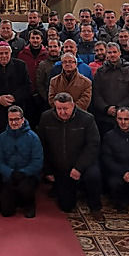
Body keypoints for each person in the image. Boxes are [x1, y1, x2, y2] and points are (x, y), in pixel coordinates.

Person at [38, 92, 104, 222]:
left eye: (66, 109)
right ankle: (74, 190)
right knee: (66, 206)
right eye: (59, 108)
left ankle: (95, 206)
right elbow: (41, 145)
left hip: (83, 163)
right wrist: (47, 170)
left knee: (94, 176)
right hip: (60, 166)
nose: (62, 112)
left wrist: (79, 167)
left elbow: (93, 145)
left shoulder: (87, 119)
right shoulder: (46, 117)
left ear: (73, 106)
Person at [0, 40, 31, 193]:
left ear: (10, 53)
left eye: (6, 53)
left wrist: (14, 97)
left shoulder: (20, 66)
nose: (4, 56)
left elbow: (27, 87)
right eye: (1, 53)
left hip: (15, 113)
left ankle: (16, 179)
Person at [0, 106, 43, 218]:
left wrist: (23, 172)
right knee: (6, 212)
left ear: (22, 119)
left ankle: (29, 205)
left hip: (28, 176)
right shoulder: (2, 137)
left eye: (16, 119)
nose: (14, 122)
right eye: (11, 120)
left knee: (25, 188)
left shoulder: (33, 137)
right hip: (9, 176)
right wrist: (10, 173)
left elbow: (38, 162)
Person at [91, 42, 129, 136]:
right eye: (109, 52)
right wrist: (106, 108)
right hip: (104, 118)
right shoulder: (100, 72)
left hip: (124, 117)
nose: (112, 55)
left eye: (114, 52)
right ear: (106, 54)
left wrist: (118, 108)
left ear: (119, 53)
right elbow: (96, 93)